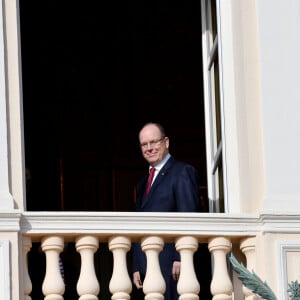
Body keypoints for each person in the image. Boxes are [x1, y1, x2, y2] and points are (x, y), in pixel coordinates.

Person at [131, 122, 200, 300]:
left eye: (154, 142)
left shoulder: (182, 172)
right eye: (144, 144)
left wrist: (181, 256)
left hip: (171, 266)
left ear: (166, 142)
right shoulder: (142, 183)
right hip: (147, 268)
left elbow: (189, 216)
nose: (149, 148)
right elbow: (139, 226)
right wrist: (137, 265)